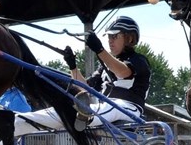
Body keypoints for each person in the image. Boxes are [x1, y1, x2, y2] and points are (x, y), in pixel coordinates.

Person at [13, 16, 151, 134]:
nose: (110, 40)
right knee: (62, 109)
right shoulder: (104, 67)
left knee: (110, 106)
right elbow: (84, 88)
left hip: (129, 110)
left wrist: (99, 50)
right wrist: (72, 66)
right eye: (109, 37)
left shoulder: (139, 61)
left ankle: (85, 115)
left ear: (129, 38)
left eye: (114, 36)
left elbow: (122, 72)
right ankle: (13, 124)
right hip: (103, 107)